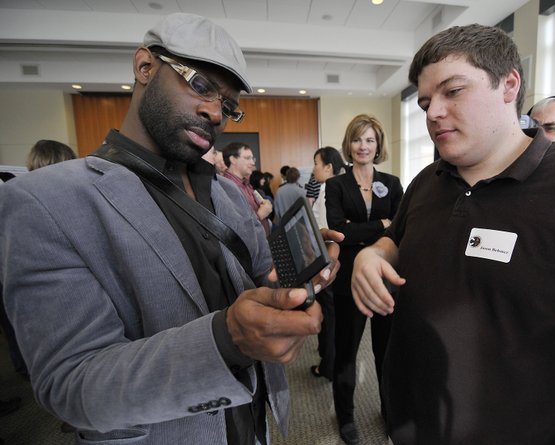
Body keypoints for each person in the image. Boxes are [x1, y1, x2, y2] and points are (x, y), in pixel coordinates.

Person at [0, 13, 342, 445]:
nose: (215, 112)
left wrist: (301, 278)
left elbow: (261, 279)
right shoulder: (43, 202)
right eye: (200, 85)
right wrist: (226, 340)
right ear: (145, 67)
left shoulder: (229, 194)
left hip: (254, 424)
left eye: (228, 105)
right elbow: (70, 387)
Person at [350, 24, 555, 445]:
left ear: (508, 84)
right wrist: (372, 254)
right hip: (413, 426)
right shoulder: (428, 180)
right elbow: (397, 240)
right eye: (426, 101)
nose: (431, 113)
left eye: (453, 91)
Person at [326, 114, 403, 445]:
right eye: (358, 139)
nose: (363, 146)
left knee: (386, 353)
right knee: (347, 351)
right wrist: (380, 225)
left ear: (378, 145)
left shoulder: (393, 181)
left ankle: (389, 410)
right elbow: (339, 232)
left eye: (370, 140)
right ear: (349, 144)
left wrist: (377, 228)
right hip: (348, 282)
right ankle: (344, 416)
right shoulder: (336, 185)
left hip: (387, 278)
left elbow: (401, 228)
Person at [308, 146, 346, 382]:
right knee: (332, 315)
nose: (314, 169)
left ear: (328, 167)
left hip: (325, 259)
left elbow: (325, 229)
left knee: (329, 316)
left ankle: (328, 365)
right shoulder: (342, 187)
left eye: (316, 163)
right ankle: (327, 356)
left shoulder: (327, 189)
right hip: (333, 259)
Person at [222, 142, 273, 236]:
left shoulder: (245, 183)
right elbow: (237, 227)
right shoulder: (228, 186)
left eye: (252, 158)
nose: (253, 163)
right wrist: (261, 214)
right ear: (233, 159)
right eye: (247, 158)